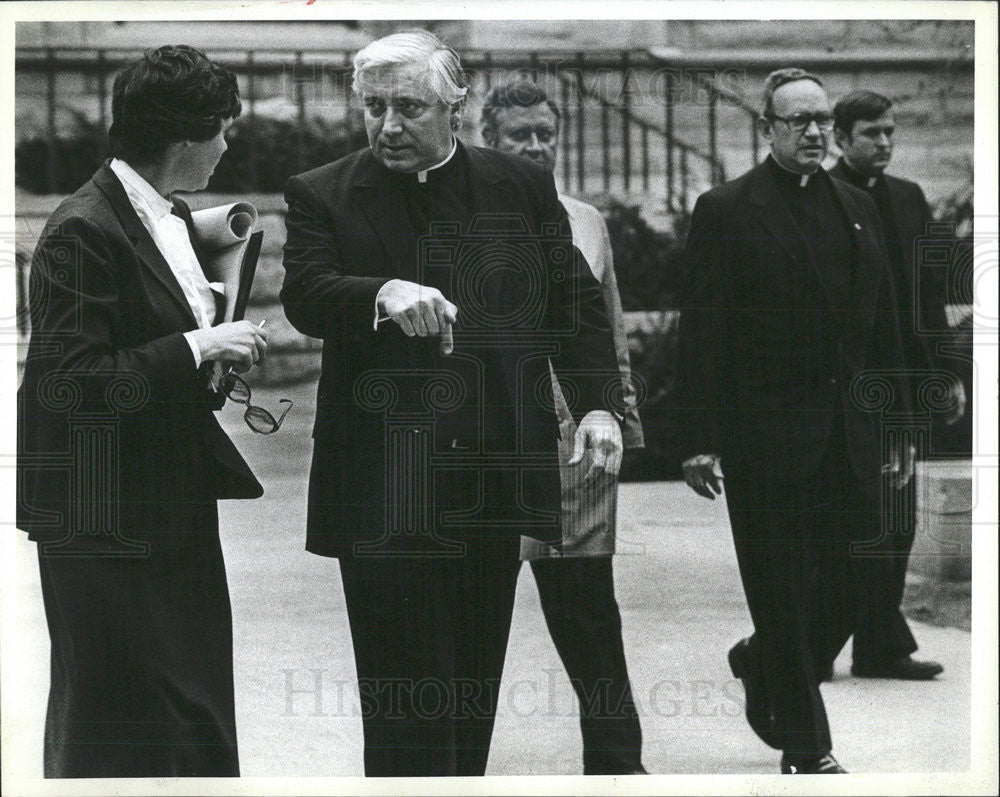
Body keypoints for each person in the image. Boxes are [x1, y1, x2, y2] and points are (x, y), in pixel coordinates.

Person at [280, 30, 624, 777]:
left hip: (493, 479)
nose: (389, 126)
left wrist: (599, 407)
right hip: (382, 485)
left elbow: (573, 303)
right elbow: (304, 293)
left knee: (471, 692)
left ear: (455, 107)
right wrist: (378, 292)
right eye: (373, 107)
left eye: (408, 106)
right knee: (403, 698)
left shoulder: (519, 186)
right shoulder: (323, 191)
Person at [16, 45, 269, 777]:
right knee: (121, 720)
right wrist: (199, 344)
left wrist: (204, 345)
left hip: (163, 496)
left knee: (187, 713)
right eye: (222, 127)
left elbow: (145, 301)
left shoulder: (157, 211)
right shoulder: (80, 231)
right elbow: (70, 382)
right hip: (106, 517)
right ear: (184, 136)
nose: (228, 144)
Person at [676, 68, 914, 775]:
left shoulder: (855, 207)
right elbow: (703, 328)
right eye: (797, 121)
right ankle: (807, 745)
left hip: (847, 431)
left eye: (820, 119)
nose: (813, 132)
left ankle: (762, 659)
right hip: (764, 435)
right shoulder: (726, 208)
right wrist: (696, 437)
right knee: (778, 584)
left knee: (858, 573)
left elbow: (884, 324)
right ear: (769, 129)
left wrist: (899, 421)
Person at [479, 76, 646, 776]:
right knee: (477, 619)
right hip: (491, 448)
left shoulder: (584, 219)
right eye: (521, 136)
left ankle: (617, 761)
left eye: (547, 135)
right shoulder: (462, 215)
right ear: (488, 140)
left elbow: (607, 331)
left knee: (589, 613)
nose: (537, 147)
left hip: (576, 446)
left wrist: (624, 423)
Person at [830, 89, 964, 681]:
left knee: (896, 516)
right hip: (847, 383)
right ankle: (799, 649)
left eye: (889, 132)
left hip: (905, 380)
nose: (883, 143)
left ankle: (880, 644)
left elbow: (929, 296)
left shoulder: (909, 198)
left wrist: (945, 377)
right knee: (841, 519)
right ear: (840, 138)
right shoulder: (825, 197)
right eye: (869, 134)